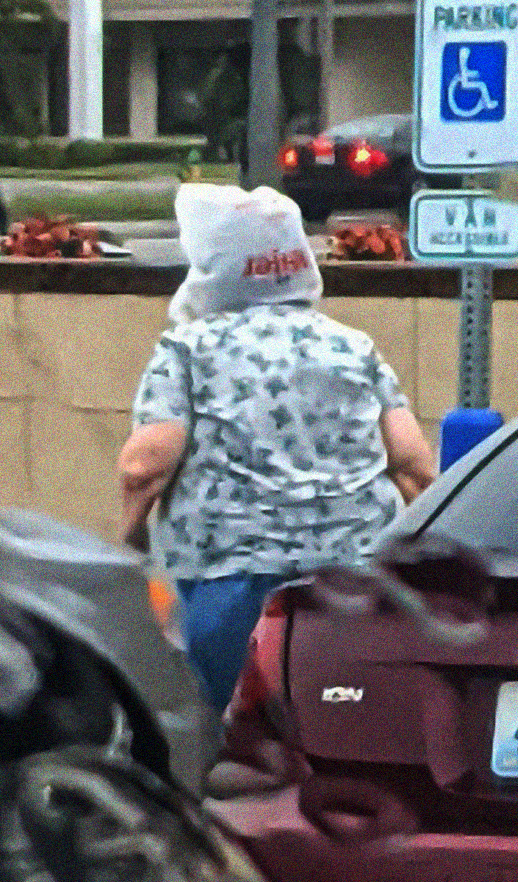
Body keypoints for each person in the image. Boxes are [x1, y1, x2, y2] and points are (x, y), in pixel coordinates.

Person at [118, 183, 435, 714]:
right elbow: (414, 466)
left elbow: (144, 466)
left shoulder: (190, 349)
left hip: (231, 580)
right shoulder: (352, 346)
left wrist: (123, 545)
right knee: (340, 727)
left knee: (229, 733)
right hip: (349, 579)